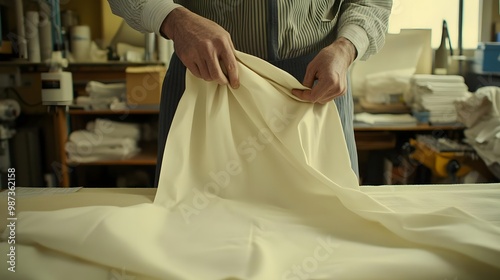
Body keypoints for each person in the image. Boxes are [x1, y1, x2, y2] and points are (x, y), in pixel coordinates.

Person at [107, 0, 393, 185]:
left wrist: (347, 46)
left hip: (315, 85)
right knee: (191, 233)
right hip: (207, 78)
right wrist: (173, 18)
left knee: (329, 229)